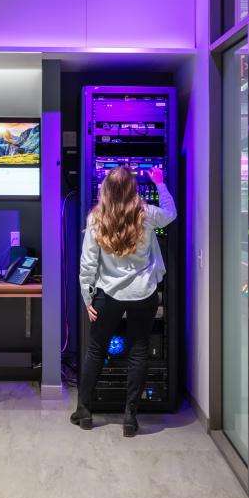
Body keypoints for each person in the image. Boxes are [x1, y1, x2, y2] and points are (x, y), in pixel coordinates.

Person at [72, 166, 176, 436]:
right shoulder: (146, 214)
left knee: (96, 350)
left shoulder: (97, 219)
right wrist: (160, 183)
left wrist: (87, 298)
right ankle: (131, 416)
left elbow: (87, 265)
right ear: (133, 189)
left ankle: (84, 411)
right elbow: (171, 213)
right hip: (144, 294)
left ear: (105, 189)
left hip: (109, 295)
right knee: (139, 350)